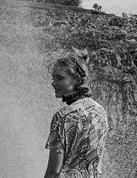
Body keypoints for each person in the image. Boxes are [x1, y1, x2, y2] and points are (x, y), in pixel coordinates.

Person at [44, 49, 109, 178]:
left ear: (77, 80)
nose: (53, 83)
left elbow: (53, 172)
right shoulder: (100, 110)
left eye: (60, 78)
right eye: (53, 78)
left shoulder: (63, 116)